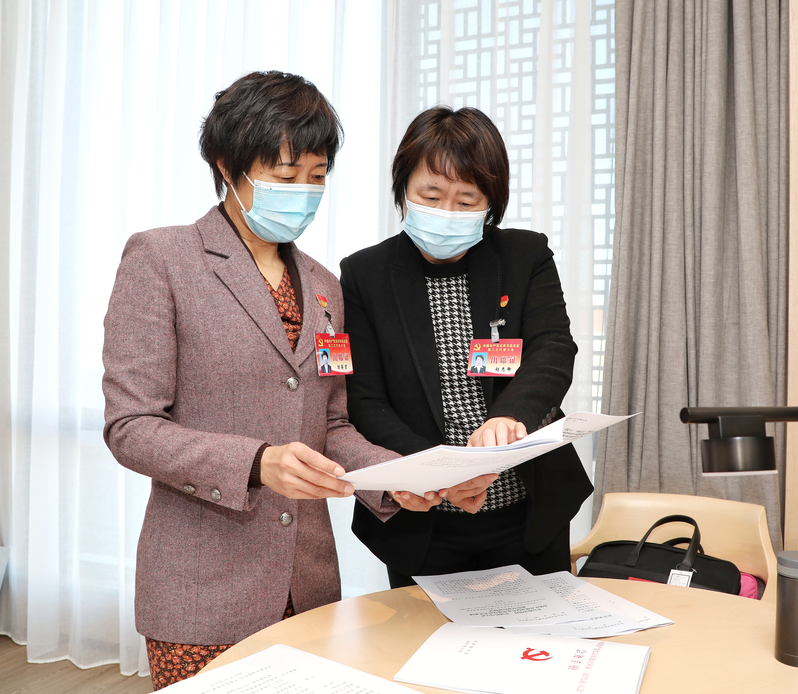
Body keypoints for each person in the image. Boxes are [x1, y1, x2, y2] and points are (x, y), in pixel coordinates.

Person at [102, 71, 478, 689]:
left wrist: (399, 478)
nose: (303, 191)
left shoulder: (326, 287)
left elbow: (332, 423)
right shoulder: (162, 259)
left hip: (308, 588)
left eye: (317, 175)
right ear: (228, 166)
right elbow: (131, 427)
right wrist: (258, 462)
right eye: (284, 174)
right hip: (201, 591)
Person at [340, 105, 593, 588]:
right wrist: (443, 471)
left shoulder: (525, 255)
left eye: (466, 200)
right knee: (425, 635)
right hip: (422, 520)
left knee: (541, 629)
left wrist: (508, 416)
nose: (446, 214)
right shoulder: (364, 274)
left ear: (490, 204)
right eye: (431, 196)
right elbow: (366, 400)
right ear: (403, 189)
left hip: (527, 511)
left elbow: (553, 349)